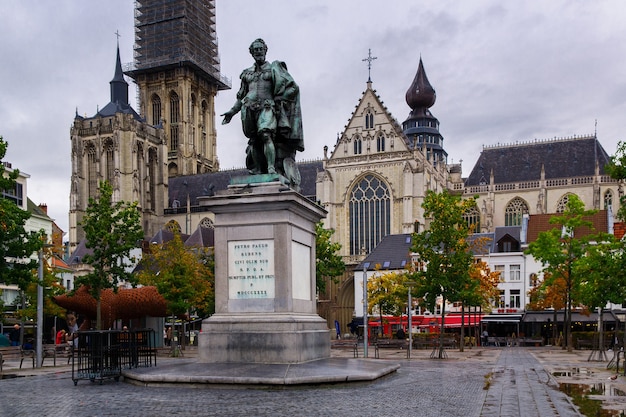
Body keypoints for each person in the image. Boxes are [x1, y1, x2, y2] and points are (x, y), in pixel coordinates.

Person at [221, 38, 304, 191]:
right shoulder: (247, 74)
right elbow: (241, 97)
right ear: (251, 53)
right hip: (249, 109)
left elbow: (294, 87)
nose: (259, 52)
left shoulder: (274, 69)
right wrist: (232, 112)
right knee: (254, 141)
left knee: (266, 134)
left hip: (267, 107)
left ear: (265, 51)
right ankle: (258, 170)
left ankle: (271, 169)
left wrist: (281, 99)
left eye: (261, 49)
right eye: (256, 50)